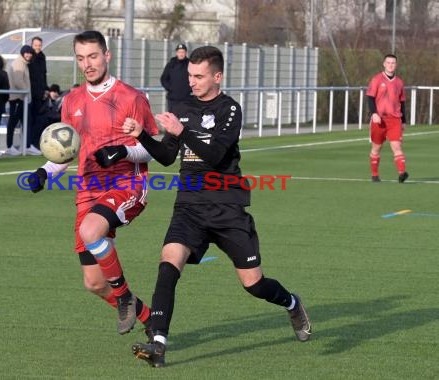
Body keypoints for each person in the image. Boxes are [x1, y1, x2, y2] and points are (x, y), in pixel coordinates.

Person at [126, 46, 312, 368]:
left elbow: (215, 156)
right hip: (189, 205)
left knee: (253, 284)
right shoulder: (182, 107)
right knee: (168, 263)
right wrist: (142, 135)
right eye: (189, 76)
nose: (192, 82)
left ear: (217, 76)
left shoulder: (230, 110)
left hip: (227, 206)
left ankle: (293, 303)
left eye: (198, 76)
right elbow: (169, 157)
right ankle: (158, 344)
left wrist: (183, 132)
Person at [27, 31, 159, 338]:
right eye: (81, 58)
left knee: (91, 231)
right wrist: (45, 172)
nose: (88, 64)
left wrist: (122, 151)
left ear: (107, 56)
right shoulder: (71, 100)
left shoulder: (132, 98)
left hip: (127, 184)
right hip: (88, 190)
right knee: (95, 283)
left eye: (93, 56)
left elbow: (153, 149)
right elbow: (66, 153)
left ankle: (125, 296)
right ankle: (149, 319)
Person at [366, 54, 408, 183]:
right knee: (376, 148)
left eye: (393, 63)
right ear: (384, 64)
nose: (391, 65)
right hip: (379, 120)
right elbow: (370, 97)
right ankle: (374, 174)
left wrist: (404, 120)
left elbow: (402, 102)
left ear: (396, 65)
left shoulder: (399, 82)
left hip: (394, 120)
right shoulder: (377, 79)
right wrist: (374, 113)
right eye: (388, 62)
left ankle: (402, 173)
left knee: (396, 146)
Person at [6, 44, 33, 156]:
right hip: (17, 98)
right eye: (27, 52)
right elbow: (18, 82)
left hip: (21, 98)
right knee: (13, 122)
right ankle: (9, 146)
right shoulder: (19, 63)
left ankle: (26, 146)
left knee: (26, 121)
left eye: (30, 53)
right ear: (22, 53)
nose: (29, 55)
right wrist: (26, 92)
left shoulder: (23, 63)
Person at [28, 36, 48, 155]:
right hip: (32, 93)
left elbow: (43, 75)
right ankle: (29, 143)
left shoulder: (42, 57)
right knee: (31, 120)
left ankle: (35, 143)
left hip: (40, 94)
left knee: (38, 120)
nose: (38, 48)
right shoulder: (30, 57)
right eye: (36, 45)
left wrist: (46, 89)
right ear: (32, 45)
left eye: (39, 45)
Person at [160, 43, 192, 114]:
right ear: (176, 53)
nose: (181, 54)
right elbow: (163, 79)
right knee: (173, 119)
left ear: (186, 53)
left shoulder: (190, 64)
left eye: (183, 52)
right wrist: (170, 88)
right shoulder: (171, 64)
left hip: (186, 99)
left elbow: (195, 78)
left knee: (186, 120)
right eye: (179, 52)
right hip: (173, 99)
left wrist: (189, 89)